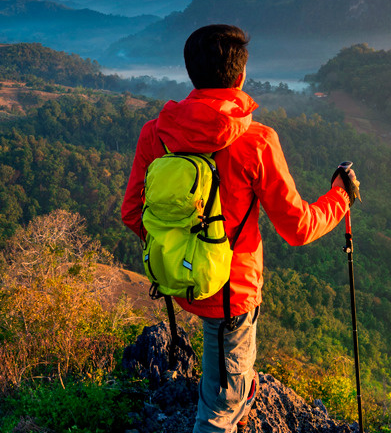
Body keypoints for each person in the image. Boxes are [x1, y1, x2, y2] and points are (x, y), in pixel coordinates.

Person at [121, 24, 359, 433]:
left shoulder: (156, 133)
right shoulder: (257, 141)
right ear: (241, 76)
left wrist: (182, 251)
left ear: (191, 73)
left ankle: (238, 392)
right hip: (232, 296)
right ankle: (232, 402)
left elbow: (132, 213)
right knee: (216, 413)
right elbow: (298, 228)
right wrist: (340, 198)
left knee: (227, 374)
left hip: (181, 281)